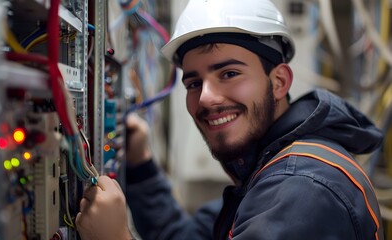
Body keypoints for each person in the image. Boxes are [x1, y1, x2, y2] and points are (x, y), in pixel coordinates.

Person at [75, 0, 385, 239]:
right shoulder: (263, 172)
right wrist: (141, 165)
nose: (207, 97)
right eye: (194, 83)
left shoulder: (301, 188)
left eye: (229, 73)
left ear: (279, 82)